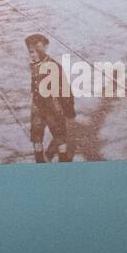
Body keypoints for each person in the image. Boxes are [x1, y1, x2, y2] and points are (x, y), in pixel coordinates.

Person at [25, 33, 75, 163]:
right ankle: (39, 158)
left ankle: (63, 159)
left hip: (53, 106)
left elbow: (65, 89)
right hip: (37, 106)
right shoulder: (35, 64)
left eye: (37, 51)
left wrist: (69, 108)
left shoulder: (54, 66)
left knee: (59, 134)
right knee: (36, 134)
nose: (33, 55)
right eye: (31, 52)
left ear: (45, 48)